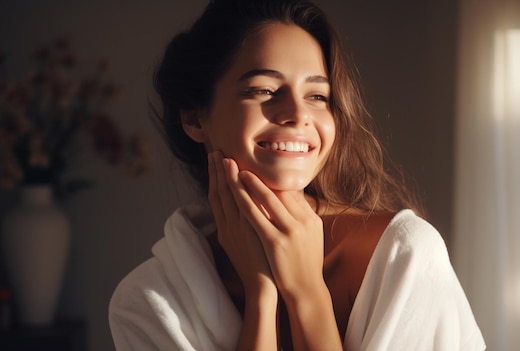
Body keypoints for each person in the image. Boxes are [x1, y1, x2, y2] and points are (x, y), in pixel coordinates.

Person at [109, 0, 486, 349]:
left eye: (318, 96)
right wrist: (262, 296)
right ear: (194, 117)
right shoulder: (149, 299)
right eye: (264, 89)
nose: (298, 113)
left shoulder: (403, 257)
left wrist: (307, 292)